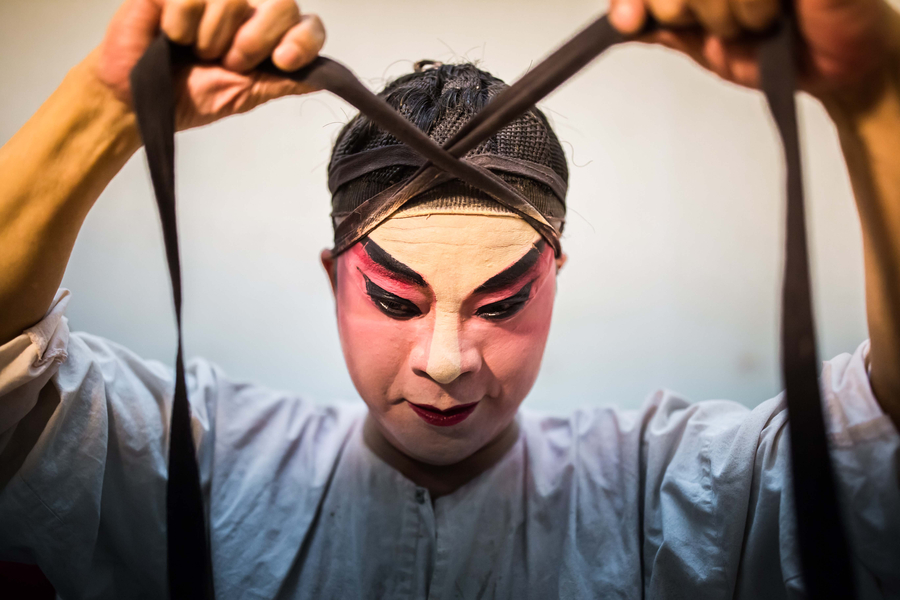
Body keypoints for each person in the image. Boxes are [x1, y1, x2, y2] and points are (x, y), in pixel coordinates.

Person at [0, 0, 898, 598]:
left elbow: (879, 447)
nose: (446, 359)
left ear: (555, 278)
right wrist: (103, 109)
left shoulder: (668, 495)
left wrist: (877, 93)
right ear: (333, 277)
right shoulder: (194, 466)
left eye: (502, 301)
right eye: (395, 299)